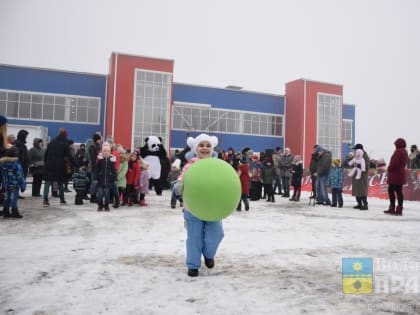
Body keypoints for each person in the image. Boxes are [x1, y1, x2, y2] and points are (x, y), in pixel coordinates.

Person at [174, 133, 224, 277]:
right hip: (192, 207)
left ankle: (208, 255)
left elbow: (224, 182)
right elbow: (182, 179)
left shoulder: (218, 166)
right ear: (196, 149)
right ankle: (193, 265)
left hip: (213, 207)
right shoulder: (190, 166)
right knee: (194, 237)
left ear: (212, 148)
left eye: (208, 146)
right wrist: (178, 185)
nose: (204, 148)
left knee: (216, 233)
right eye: (201, 145)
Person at [43, 128, 77, 207]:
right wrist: (76, 165)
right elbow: (70, 156)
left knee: (47, 182)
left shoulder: (51, 143)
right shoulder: (65, 144)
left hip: (49, 164)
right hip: (60, 165)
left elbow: (46, 154)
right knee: (60, 182)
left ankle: (45, 200)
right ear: (65, 136)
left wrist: (46, 163)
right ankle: (62, 200)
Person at [384, 138, 409, 216]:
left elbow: (395, 163)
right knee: (399, 192)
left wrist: (389, 168)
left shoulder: (398, 151)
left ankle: (392, 207)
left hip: (395, 174)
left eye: (396, 144)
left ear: (398, 144)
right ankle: (399, 208)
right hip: (400, 174)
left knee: (391, 191)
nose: (395, 145)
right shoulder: (405, 151)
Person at [0, 146, 26, 218]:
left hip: (6, 184)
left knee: (7, 197)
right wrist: (23, 185)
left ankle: (6, 211)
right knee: (14, 198)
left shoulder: (2, 164)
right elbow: (19, 176)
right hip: (14, 185)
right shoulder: (16, 165)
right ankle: (15, 212)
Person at [93, 142, 117, 211]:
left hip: (108, 181)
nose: (106, 152)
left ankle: (106, 206)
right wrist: (95, 178)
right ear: (102, 152)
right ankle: (100, 205)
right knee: (100, 194)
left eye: (108, 151)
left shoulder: (111, 161)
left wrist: (115, 178)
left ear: (110, 152)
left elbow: (114, 171)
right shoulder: (100, 160)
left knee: (107, 195)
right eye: (105, 151)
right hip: (100, 180)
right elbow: (96, 170)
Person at [351, 144, 370, 210]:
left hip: (362, 177)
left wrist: (358, 165)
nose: (355, 150)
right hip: (356, 176)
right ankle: (359, 204)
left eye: (356, 149)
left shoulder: (365, 156)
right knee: (357, 191)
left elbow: (366, 166)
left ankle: (365, 205)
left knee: (362, 191)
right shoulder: (356, 155)